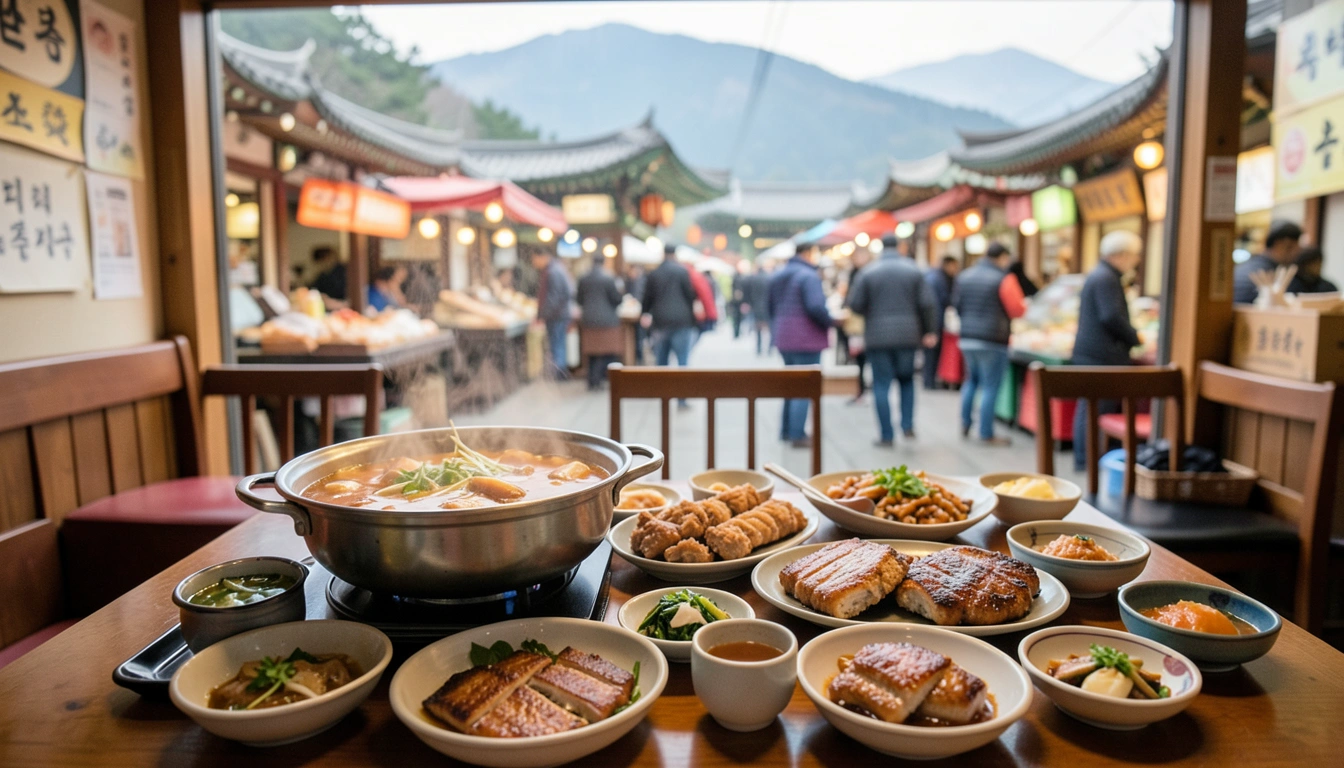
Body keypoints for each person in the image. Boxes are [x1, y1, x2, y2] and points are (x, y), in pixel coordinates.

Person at [847, 235, 938, 446]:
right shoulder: (914, 270)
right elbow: (928, 303)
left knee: (881, 384)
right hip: (908, 335)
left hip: (877, 337)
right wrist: (929, 330)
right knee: (907, 381)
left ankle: (886, 435)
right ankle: (907, 426)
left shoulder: (868, 272)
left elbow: (855, 305)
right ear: (900, 247)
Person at [1071, 230, 1145, 470]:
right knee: (1093, 409)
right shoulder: (1106, 278)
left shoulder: (1099, 275)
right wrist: (1135, 337)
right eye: (1134, 255)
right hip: (1100, 355)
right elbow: (1111, 316)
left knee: (1088, 407)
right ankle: (1087, 459)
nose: (1136, 261)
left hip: (1090, 352)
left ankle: (1085, 457)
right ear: (1122, 254)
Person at [952, 242, 1026, 445]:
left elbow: (957, 305)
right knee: (990, 386)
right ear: (1002, 257)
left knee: (971, 381)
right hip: (993, 339)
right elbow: (1018, 309)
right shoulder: (1004, 278)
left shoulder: (965, 275)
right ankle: (986, 432)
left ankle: (965, 423)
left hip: (967, 337)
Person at [768, 241, 832, 447]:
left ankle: (785, 431)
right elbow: (816, 307)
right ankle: (797, 434)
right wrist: (830, 321)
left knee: (789, 384)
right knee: (804, 386)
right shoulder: (809, 276)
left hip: (784, 336)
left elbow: (769, 306)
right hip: (806, 338)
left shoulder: (778, 275)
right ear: (808, 253)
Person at [641, 244, 698, 372]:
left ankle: (664, 390)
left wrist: (644, 313)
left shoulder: (655, 273)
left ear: (663, 254)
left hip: (660, 320)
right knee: (682, 361)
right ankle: (683, 388)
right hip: (682, 320)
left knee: (661, 362)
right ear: (675, 254)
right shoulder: (682, 271)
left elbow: (647, 298)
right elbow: (690, 295)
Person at [576, 258, 625, 390]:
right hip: (607, 321)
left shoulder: (583, 278)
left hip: (589, 320)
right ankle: (601, 378)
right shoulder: (608, 278)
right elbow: (616, 299)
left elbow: (579, 299)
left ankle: (592, 380)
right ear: (603, 263)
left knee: (591, 352)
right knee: (607, 352)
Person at [1234, 220, 1302, 304]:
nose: (1298, 252)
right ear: (1284, 244)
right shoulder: (1277, 274)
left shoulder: (1243, 266)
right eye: (1297, 247)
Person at [532, 246, 574, 380]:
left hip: (556, 315)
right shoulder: (557, 268)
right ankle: (560, 372)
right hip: (559, 314)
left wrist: (542, 314)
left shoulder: (553, 271)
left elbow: (554, 297)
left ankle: (559, 374)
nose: (534, 262)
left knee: (557, 344)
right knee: (559, 343)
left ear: (541, 256)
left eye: (534, 259)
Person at [922, 255, 960, 390]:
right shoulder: (939, 279)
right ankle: (929, 381)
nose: (956, 269)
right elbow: (943, 299)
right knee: (932, 351)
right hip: (935, 319)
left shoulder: (934, 277)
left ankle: (929, 380)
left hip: (932, 318)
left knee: (931, 352)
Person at [747, 260, 774, 355]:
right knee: (770, 328)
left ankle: (759, 347)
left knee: (758, 328)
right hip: (768, 306)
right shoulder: (770, 277)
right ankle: (770, 347)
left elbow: (749, 293)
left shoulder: (753, 278)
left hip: (756, 306)